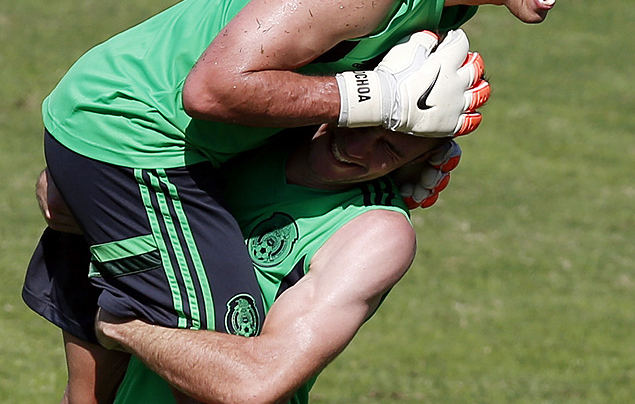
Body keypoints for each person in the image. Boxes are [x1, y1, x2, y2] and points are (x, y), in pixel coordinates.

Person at [24, 0, 596, 402]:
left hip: (152, 141)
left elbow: (307, 90)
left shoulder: (440, 0)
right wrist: (382, 101)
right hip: (137, 133)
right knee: (221, 348)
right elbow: (213, 89)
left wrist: (400, 154)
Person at [30, 124, 462, 404]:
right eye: (361, 122)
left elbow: (255, 384)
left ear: (421, 161)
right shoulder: (242, 140)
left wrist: (128, 327)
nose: (353, 147)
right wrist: (71, 180)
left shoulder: (375, 233)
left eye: (388, 147)